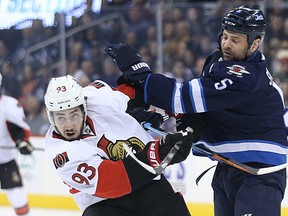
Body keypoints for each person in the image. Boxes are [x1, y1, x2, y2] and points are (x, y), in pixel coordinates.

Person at [105, 5, 288, 216]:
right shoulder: (217, 62)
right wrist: (159, 113)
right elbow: (199, 106)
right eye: (225, 36)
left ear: (255, 44)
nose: (226, 44)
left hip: (259, 177)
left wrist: (139, 72)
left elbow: (180, 98)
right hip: (227, 170)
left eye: (235, 40)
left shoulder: (245, 76)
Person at [43, 75, 193, 216]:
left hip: (149, 186)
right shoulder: (60, 153)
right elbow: (112, 181)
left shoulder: (97, 98)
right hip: (104, 206)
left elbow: (131, 94)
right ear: (51, 117)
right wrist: (157, 154)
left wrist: (172, 108)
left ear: (84, 108)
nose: (69, 126)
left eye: (74, 115)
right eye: (61, 118)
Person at [0, 73, 34, 216]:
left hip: (5, 160)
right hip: (6, 159)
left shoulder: (9, 105)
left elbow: (19, 130)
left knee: (19, 199)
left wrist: (22, 142)